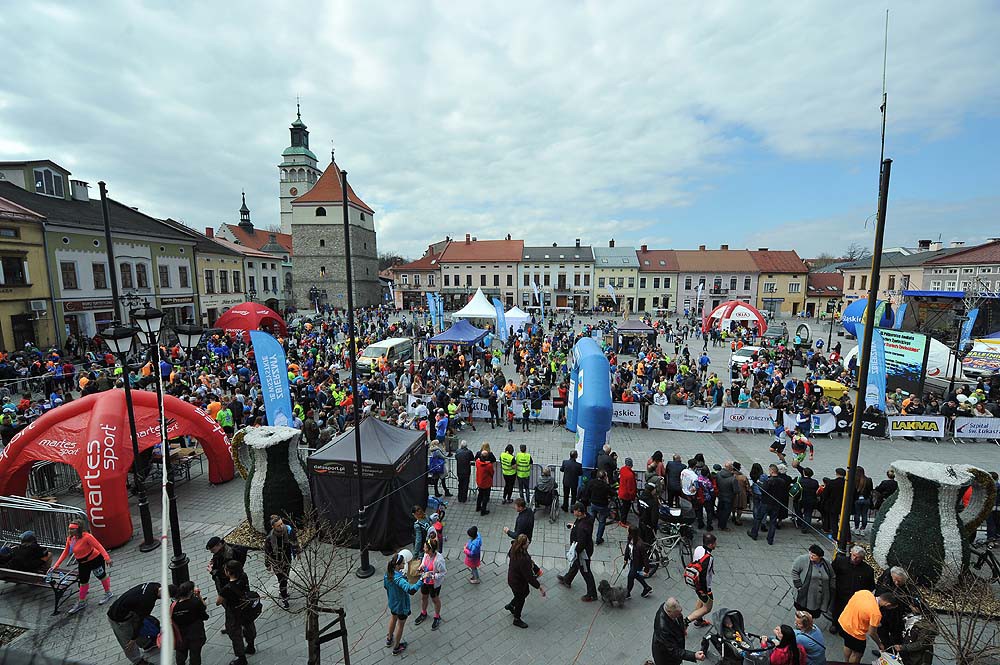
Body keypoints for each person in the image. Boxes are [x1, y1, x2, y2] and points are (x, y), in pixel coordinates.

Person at [50, 521, 113, 614]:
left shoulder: (87, 537)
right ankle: (81, 602)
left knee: (101, 575)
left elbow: (98, 546)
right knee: (83, 581)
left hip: (95, 559)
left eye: (72, 529)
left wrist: (107, 558)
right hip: (82, 563)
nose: (70, 530)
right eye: (69, 528)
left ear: (78, 529)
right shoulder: (70, 539)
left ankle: (108, 593)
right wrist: (56, 565)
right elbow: (65, 552)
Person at [106, 582, 161, 665]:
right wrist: (133, 639)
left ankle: (146, 644)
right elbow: (139, 622)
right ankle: (137, 661)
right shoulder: (148, 601)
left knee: (137, 629)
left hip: (129, 611)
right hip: (118, 619)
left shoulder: (154, 585)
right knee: (128, 642)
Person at [216, 560, 258, 665]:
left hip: (233, 612)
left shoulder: (227, 588)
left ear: (228, 572)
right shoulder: (244, 576)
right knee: (249, 626)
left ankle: (241, 658)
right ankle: (251, 646)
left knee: (235, 634)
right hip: (245, 608)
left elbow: (218, 602)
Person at [838, 590, 897, 663]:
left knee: (848, 645)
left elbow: (862, 611)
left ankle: (846, 662)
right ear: (887, 604)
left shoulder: (865, 592)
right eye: (891, 608)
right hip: (856, 633)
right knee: (857, 654)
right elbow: (872, 633)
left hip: (843, 622)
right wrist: (879, 644)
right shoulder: (876, 613)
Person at [383, 551, 424, 656]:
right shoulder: (399, 579)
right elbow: (411, 590)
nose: (404, 564)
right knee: (400, 625)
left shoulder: (388, 574)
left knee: (393, 618)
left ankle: (389, 639)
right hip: (401, 606)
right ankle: (396, 647)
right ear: (397, 565)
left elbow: (385, 587)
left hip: (392, 603)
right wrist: (422, 579)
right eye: (402, 563)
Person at [557, 502, 598, 602]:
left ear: (579, 512)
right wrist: (574, 526)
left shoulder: (582, 527)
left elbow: (581, 543)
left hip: (583, 553)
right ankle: (567, 579)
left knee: (586, 572)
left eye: (575, 511)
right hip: (586, 549)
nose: (573, 512)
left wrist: (574, 552)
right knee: (576, 565)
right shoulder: (586, 518)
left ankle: (592, 594)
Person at [830, 546, 875, 635]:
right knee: (837, 610)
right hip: (840, 593)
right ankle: (834, 624)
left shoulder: (868, 570)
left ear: (862, 558)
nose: (854, 558)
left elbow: (870, 586)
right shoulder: (840, 561)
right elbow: (832, 573)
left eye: (858, 557)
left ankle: (844, 628)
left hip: (855, 597)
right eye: (853, 555)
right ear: (850, 553)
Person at [506, 533, 546, 628]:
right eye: (528, 542)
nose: (529, 543)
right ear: (523, 545)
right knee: (521, 600)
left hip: (512, 578)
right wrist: (539, 587)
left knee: (525, 592)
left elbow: (510, 555)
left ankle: (511, 605)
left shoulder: (514, 548)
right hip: (518, 583)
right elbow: (529, 577)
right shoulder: (523, 559)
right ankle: (517, 619)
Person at [651, 597, 706, 665]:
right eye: (677, 613)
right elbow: (673, 650)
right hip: (667, 658)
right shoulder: (663, 628)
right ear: (669, 611)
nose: (680, 615)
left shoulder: (668, 608)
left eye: (680, 612)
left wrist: (682, 629)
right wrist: (694, 655)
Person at [263, 514, 298, 609]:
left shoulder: (288, 530)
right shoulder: (270, 538)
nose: (281, 526)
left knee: (285, 577)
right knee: (282, 579)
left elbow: (294, 541)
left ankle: (283, 591)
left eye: (282, 523)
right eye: (278, 525)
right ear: (273, 527)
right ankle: (284, 597)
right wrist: (267, 564)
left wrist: (297, 551)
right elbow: (267, 552)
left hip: (287, 559)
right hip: (276, 561)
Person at [791, 544, 834, 620]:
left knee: (812, 615)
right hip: (805, 594)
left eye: (814, 555)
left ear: (820, 557)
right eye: (810, 553)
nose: (811, 556)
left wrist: (832, 587)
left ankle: (809, 624)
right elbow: (794, 571)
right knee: (801, 614)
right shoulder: (802, 560)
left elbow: (832, 576)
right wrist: (798, 585)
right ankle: (800, 623)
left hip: (818, 597)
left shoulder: (826, 563)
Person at [171, 581, 209, 665]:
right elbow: (205, 615)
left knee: (181, 652)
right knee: (195, 654)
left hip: (180, 634)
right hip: (195, 633)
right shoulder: (195, 602)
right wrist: (199, 596)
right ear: (191, 591)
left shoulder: (173, 606)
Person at [414, 538, 446, 630]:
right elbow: (424, 563)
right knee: (424, 597)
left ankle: (437, 616)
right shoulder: (426, 554)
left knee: (435, 600)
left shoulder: (439, 560)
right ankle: (423, 613)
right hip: (425, 581)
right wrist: (421, 567)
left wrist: (432, 576)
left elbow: (443, 573)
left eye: (425, 548)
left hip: (434, 584)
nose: (423, 549)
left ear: (430, 549)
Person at [748, 464, 784, 545]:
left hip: (766, 503)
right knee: (773, 522)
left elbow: (763, 490)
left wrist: (758, 483)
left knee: (758, 518)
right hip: (776, 504)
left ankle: (754, 533)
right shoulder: (782, 481)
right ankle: (770, 539)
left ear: (772, 471)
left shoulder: (769, 481)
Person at [686, 533, 716, 627]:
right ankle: (685, 621)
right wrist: (705, 591)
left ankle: (699, 620)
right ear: (710, 544)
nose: (716, 545)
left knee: (701, 600)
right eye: (715, 543)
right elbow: (704, 576)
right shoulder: (709, 558)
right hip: (703, 587)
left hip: (695, 582)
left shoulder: (698, 548)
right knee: (707, 608)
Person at [623, 525, 653, 599]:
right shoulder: (630, 539)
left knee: (630, 577)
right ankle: (647, 587)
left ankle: (627, 593)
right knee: (636, 575)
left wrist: (646, 570)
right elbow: (627, 548)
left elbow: (645, 558)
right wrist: (626, 558)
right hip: (633, 561)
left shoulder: (640, 545)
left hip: (637, 564)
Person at [587, 469, 612, 545]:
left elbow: (588, 491)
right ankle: (598, 538)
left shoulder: (592, 482)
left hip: (593, 504)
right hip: (602, 506)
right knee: (602, 522)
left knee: (591, 521)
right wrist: (608, 483)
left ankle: (588, 537)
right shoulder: (605, 486)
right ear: (604, 477)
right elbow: (612, 493)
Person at [714, 461, 738, 531]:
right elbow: (736, 490)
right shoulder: (733, 479)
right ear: (731, 468)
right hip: (729, 498)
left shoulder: (718, 474)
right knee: (726, 512)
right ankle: (723, 526)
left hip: (720, 495)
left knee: (720, 510)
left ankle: (719, 524)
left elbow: (716, 484)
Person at [852, 466, 874, 533]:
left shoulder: (854, 480)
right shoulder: (868, 480)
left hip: (857, 499)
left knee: (857, 514)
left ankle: (856, 528)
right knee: (864, 514)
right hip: (866, 499)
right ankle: (863, 529)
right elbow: (871, 490)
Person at [475, 446, 495, 516]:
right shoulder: (489, 465)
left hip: (479, 481)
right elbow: (492, 473)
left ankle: (478, 507)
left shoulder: (477, 462)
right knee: (485, 497)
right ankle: (483, 510)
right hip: (486, 483)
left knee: (480, 495)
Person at [618, 457, 638, 525]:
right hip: (626, 495)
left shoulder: (622, 469)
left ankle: (622, 520)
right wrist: (632, 497)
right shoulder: (630, 475)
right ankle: (623, 521)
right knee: (626, 508)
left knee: (623, 507)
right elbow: (631, 488)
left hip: (621, 491)